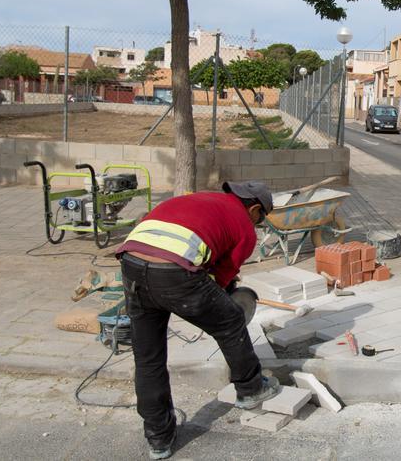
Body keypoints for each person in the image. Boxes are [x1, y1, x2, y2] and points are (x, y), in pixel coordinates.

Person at [116, 180, 281, 459]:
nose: (258, 224)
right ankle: (250, 388)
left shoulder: (204, 200)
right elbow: (221, 279)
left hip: (131, 262)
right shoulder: (244, 226)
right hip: (173, 273)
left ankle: (159, 439)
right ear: (254, 209)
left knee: (148, 358)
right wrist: (221, 291)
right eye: (261, 218)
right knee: (230, 321)